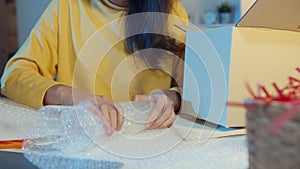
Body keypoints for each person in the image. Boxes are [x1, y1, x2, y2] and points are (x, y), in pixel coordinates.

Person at [0, 0, 188, 135]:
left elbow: (193, 92)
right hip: (81, 139)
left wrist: (172, 98)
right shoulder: (67, 5)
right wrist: (70, 95)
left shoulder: (173, 12)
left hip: (150, 139)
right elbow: (13, 75)